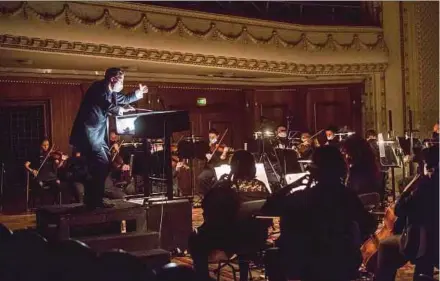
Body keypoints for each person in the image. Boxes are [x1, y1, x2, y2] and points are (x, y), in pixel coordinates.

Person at [261, 146, 376, 281]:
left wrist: (291, 186)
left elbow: (267, 209)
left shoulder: (301, 198)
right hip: (342, 261)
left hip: (306, 265)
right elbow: (369, 224)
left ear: (314, 170)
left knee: (272, 256)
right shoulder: (347, 196)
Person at [69, 68, 147, 209]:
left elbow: (124, 99)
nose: (123, 83)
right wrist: (121, 110)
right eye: (121, 80)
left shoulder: (112, 93)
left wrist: (138, 94)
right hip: (88, 133)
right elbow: (104, 104)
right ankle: (94, 201)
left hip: (98, 135)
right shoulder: (97, 88)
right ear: (112, 79)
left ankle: (93, 200)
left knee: (102, 166)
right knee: (100, 164)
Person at [189, 150, 270, 281]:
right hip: (257, 238)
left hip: (232, 238)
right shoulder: (262, 186)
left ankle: (202, 277)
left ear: (236, 165)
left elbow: (206, 204)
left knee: (195, 238)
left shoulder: (229, 187)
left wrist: (217, 186)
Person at [375, 146, 439, 281]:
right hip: (432, 242)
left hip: (425, 244)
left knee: (386, 246)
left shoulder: (425, 186)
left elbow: (399, 209)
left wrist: (408, 189)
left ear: (427, 166)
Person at [24, 138, 62, 205]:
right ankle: (42, 205)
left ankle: (54, 204)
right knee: (39, 187)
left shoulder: (51, 155)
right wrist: (32, 170)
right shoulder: (35, 155)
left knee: (57, 186)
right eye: (44, 145)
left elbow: (58, 166)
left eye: (47, 145)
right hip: (40, 177)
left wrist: (60, 161)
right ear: (40, 145)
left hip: (51, 177)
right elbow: (26, 165)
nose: (46, 147)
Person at [197, 128, 230, 195]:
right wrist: (206, 154)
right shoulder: (207, 146)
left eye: (213, 137)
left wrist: (224, 152)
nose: (211, 139)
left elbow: (222, 159)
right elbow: (201, 156)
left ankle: (212, 194)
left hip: (217, 168)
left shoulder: (222, 146)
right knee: (200, 178)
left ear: (217, 136)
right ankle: (207, 194)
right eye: (210, 137)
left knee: (218, 181)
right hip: (209, 168)